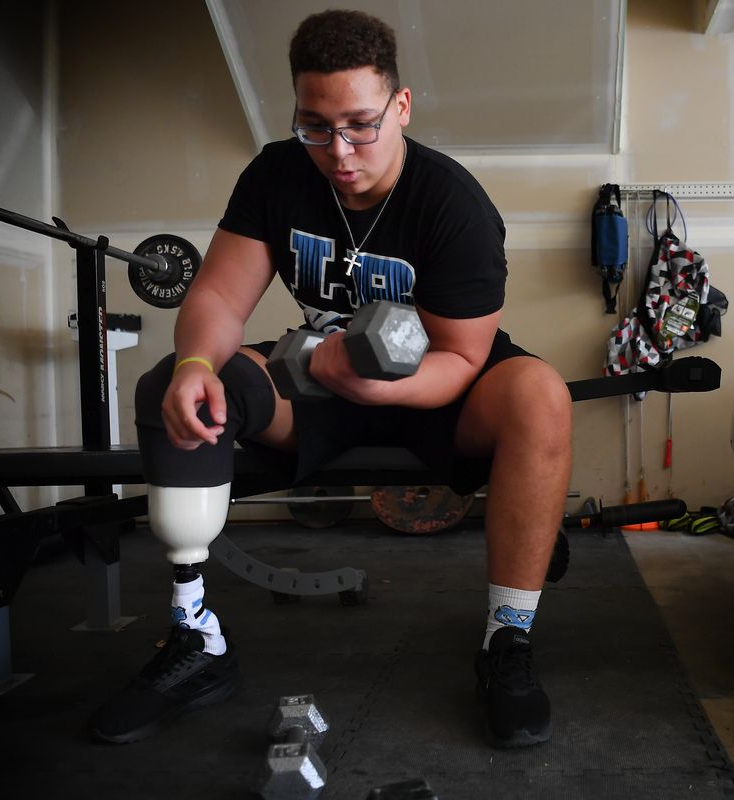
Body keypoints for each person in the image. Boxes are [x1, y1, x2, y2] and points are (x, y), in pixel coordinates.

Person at [88, 9, 572, 749]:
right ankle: (196, 638)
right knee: (172, 385)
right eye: (315, 126)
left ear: (400, 106)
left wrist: (379, 387)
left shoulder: (454, 205)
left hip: (443, 386)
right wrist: (193, 364)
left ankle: (506, 644)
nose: (338, 151)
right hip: (315, 372)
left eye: (359, 125)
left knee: (542, 396)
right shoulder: (278, 175)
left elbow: (463, 358)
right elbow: (219, 296)